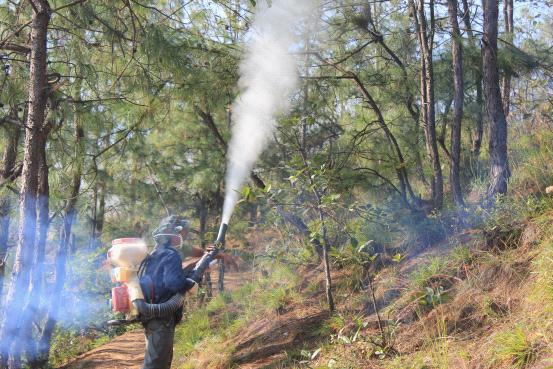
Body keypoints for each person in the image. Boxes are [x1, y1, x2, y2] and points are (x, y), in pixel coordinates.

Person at [138, 215, 233, 369]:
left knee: (159, 360)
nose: (185, 238)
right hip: (161, 318)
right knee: (156, 364)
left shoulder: (157, 253)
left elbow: (165, 279)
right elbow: (172, 282)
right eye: (183, 234)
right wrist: (188, 282)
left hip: (152, 316)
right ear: (174, 235)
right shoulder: (171, 254)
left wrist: (194, 268)